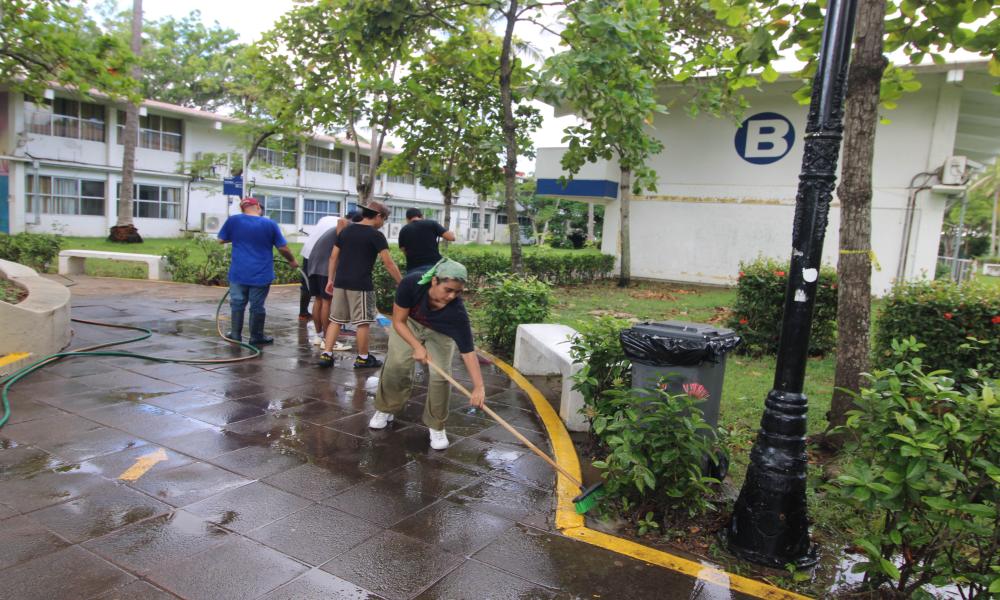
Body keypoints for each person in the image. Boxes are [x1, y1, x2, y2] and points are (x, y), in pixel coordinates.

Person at [369, 258, 485, 450]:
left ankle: (437, 425)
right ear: (434, 281)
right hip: (409, 324)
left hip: (441, 333)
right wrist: (417, 346)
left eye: (458, 292)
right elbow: (398, 321)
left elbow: (468, 351)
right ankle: (386, 408)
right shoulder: (411, 284)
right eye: (448, 290)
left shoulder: (457, 314)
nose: (452, 296)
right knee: (396, 364)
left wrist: (479, 386)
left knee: (441, 376)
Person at [318, 201, 402, 369]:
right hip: (361, 284)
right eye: (384, 219)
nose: (383, 223)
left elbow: (333, 257)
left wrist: (330, 280)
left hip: (340, 282)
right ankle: (363, 358)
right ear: (378, 216)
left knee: (335, 320)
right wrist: (402, 281)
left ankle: (326, 355)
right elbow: (389, 263)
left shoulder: (346, 231)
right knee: (362, 322)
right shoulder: (376, 235)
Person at [218, 197, 298, 345]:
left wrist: (240, 237)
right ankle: (256, 337)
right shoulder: (269, 224)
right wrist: (292, 260)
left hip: (238, 272)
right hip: (261, 273)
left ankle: (235, 334)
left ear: (243, 208)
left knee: (237, 303)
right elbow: (282, 247)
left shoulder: (233, 221)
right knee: (257, 306)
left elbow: (221, 240)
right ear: (257, 207)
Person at [302, 215, 349, 346]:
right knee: (327, 302)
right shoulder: (346, 225)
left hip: (312, 263)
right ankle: (328, 339)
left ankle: (319, 335)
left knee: (318, 300)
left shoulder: (332, 226)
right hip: (324, 266)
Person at [397, 207, 455, 274]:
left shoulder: (404, 230)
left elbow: (403, 249)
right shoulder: (432, 224)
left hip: (413, 268)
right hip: (434, 267)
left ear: (407, 219)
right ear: (421, 216)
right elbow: (451, 238)